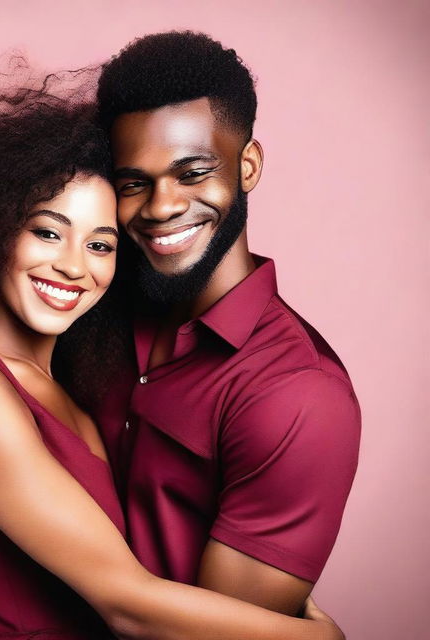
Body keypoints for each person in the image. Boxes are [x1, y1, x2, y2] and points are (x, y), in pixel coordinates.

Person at [0, 67, 344, 639]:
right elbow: (127, 604)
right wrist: (315, 636)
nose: (74, 266)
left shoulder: (71, 378)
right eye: (48, 232)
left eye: (100, 244)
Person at [95, 30, 362, 616]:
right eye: (134, 183)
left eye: (191, 173)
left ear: (247, 166)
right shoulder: (91, 311)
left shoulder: (297, 394)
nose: (161, 206)